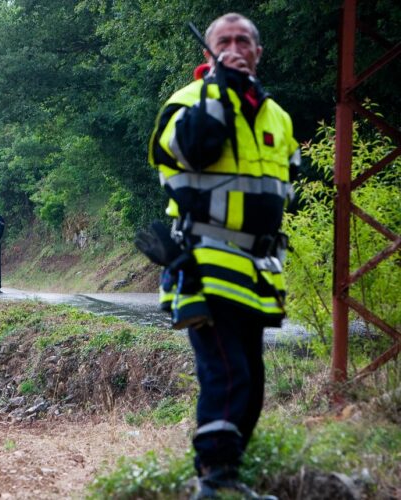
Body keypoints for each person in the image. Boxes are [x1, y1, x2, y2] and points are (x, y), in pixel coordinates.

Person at [147, 13, 297, 499]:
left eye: (243, 40)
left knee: (250, 379)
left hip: (256, 269)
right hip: (204, 261)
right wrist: (219, 89)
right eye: (224, 41)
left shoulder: (277, 115)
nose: (234, 47)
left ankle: (227, 477)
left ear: (258, 52)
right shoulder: (189, 101)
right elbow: (192, 150)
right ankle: (212, 479)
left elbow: (282, 189)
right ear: (208, 53)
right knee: (226, 370)